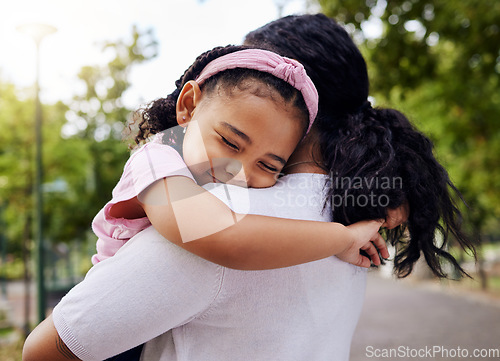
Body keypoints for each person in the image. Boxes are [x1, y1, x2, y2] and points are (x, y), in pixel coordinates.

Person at [22, 14, 476, 361]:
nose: (236, 170)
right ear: (191, 105)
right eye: (230, 138)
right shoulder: (342, 214)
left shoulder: (228, 206)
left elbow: (45, 350)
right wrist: (343, 235)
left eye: (266, 161)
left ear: (301, 120)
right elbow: (221, 233)